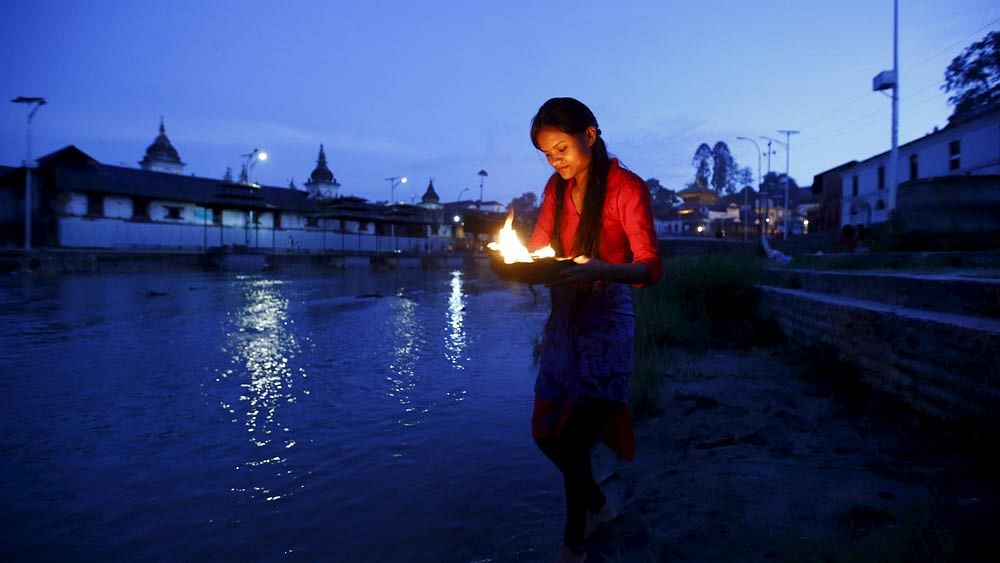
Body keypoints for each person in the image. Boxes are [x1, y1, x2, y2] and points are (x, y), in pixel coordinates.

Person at [526, 97, 662, 562]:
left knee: (572, 438)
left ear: (590, 134)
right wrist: (520, 263)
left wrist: (600, 269)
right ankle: (601, 506)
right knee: (545, 433)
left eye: (561, 148)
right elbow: (540, 246)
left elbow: (649, 267)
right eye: (546, 154)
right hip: (565, 322)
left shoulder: (627, 188)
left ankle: (573, 545)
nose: (555, 161)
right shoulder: (556, 189)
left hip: (606, 324)